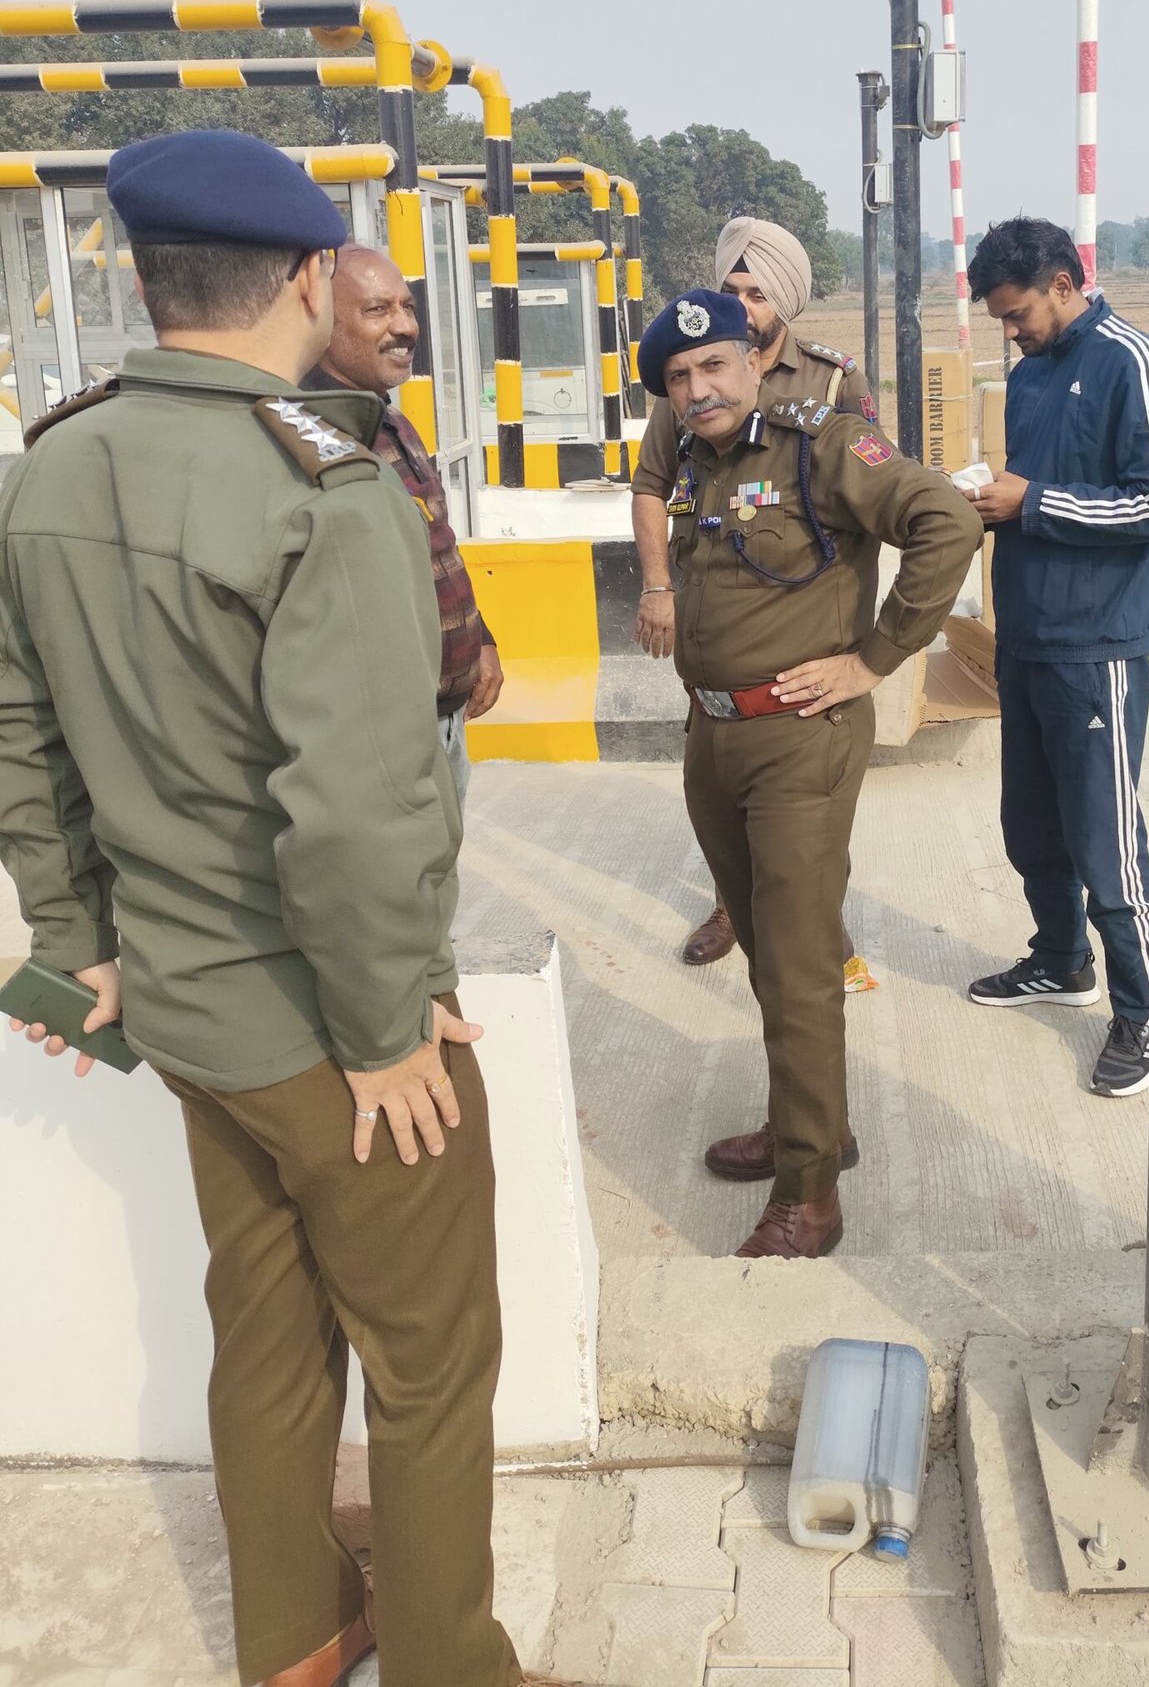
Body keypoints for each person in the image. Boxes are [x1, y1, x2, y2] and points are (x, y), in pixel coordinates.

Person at [0, 131, 532, 1687]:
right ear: (307, 277)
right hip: (329, 1024)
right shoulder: (325, 487)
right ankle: (448, 1668)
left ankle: (293, 1647)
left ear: (147, 279)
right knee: (431, 1367)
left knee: (270, 1338)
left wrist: (73, 945)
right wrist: (387, 1032)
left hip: (186, 1011)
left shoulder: (51, 465)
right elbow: (356, 810)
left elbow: (23, 734)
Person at [637, 288, 981, 1258]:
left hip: (799, 741)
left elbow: (947, 521)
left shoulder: (820, 444)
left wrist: (875, 659)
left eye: (714, 365)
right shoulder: (694, 464)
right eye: (678, 377)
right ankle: (814, 1126)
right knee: (763, 947)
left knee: (797, 968)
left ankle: (809, 1197)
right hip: (714, 737)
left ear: (754, 362)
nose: (698, 388)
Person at [631, 216, 877, 972]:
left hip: (803, 633)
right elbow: (650, 485)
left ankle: (815, 918)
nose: (744, 304)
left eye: (758, 293)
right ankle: (731, 908)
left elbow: (870, 504)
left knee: (807, 809)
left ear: (786, 301)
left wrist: (864, 648)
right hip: (716, 622)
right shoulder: (687, 380)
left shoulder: (832, 381)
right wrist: (658, 586)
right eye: (733, 289)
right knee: (722, 790)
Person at [964, 217, 1149, 1100]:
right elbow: (1030, 491)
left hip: (1097, 645)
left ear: (1063, 282)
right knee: (1032, 826)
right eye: (1001, 319)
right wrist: (992, 501)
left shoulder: (1133, 361)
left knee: (1105, 843)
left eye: (1018, 314)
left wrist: (1034, 501)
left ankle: (1147, 1013)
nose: (1011, 331)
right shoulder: (1029, 373)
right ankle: (1059, 959)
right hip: (1028, 636)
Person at [302, 241, 503, 803]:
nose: (405, 327)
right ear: (321, 320)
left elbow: (437, 548)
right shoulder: (310, 437)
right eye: (377, 310)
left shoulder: (392, 422)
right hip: (380, 735)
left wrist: (480, 639)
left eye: (408, 308)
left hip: (442, 718)